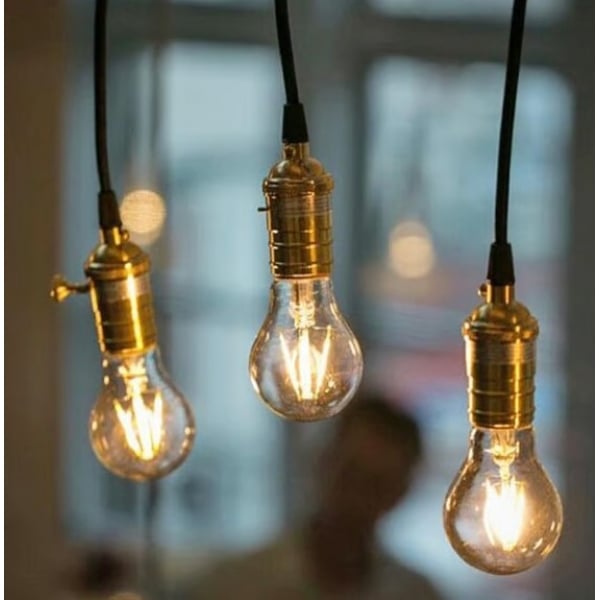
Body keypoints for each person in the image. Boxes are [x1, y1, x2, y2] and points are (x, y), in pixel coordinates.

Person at [183, 393, 444, 599]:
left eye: (377, 484)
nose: (357, 498)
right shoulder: (237, 586)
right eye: (350, 475)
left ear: (400, 493)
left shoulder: (414, 593)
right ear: (321, 463)